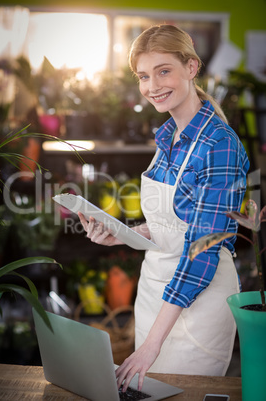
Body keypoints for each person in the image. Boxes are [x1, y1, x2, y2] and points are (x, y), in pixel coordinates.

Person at [78, 24, 250, 392]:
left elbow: (203, 251)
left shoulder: (219, 144)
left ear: (191, 67)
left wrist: (151, 345)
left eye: (163, 71)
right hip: (155, 295)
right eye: (143, 76)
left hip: (198, 304)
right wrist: (122, 234)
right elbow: (171, 224)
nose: (152, 86)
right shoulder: (168, 136)